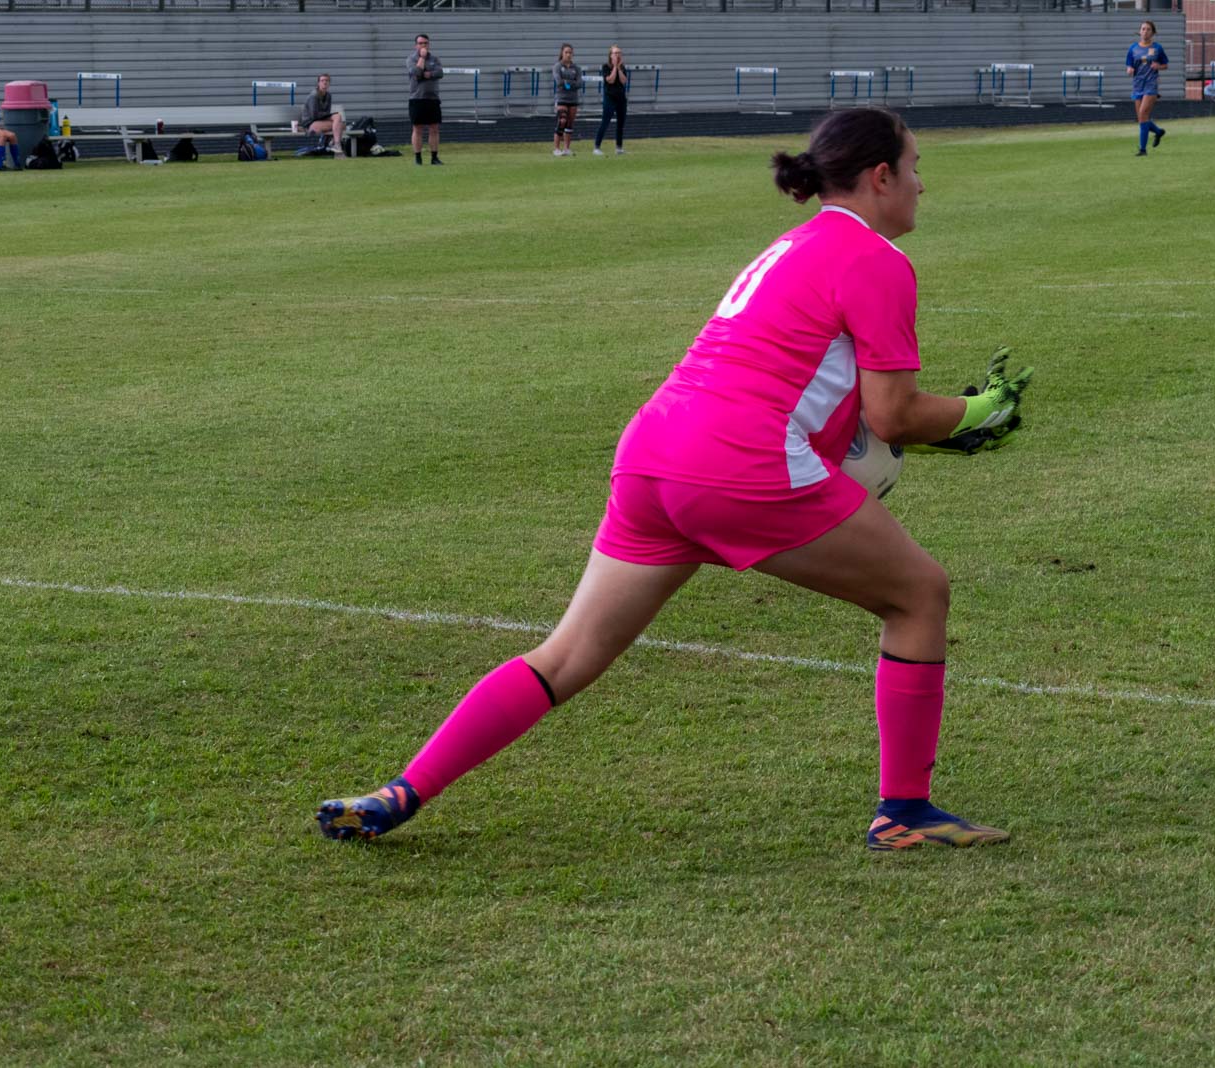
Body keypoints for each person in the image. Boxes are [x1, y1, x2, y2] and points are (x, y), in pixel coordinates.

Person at [316, 107, 1033, 853]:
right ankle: (905, 813)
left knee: (566, 653)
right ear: (880, 177)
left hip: (655, 451)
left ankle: (400, 791)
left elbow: (809, 387)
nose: (921, 185)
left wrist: (916, 430)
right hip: (738, 459)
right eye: (915, 168)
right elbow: (893, 414)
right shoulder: (876, 258)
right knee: (919, 594)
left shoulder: (790, 246)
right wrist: (979, 410)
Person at [1125, 20, 1167, 157]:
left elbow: (1165, 65)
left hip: (1151, 84)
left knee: (1143, 114)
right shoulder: (1133, 48)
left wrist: (1158, 66)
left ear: (1153, 33)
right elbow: (1129, 65)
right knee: (1141, 119)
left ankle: (1142, 150)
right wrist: (1129, 69)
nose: (1145, 31)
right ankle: (1158, 132)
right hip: (1138, 85)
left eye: (1148, 29)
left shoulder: (1157, 48)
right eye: (1143, 29)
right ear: (1140, 31)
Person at [406, 32, 444, 166]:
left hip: (432, 98)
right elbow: (416, 73)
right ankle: (418, 158)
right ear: (415, 45)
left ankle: (434, 157)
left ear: (429, 44)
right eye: (420, 43)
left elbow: (440, 73)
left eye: (425, 43)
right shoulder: (411, 59)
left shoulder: (435, 59)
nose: (423, 45)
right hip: (417, 98)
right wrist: (422, 58)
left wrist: (428, 74)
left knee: (434, 128)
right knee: (417, 129)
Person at [593, 44, 630, 157]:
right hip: (610, 98)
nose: (618, 55)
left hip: (621, 99)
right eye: (615, 53)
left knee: (621, 124)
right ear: (610, 55)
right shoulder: (605, 67)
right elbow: (611, 80)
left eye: (619, 53)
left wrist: (618, 68)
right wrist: (614, 67)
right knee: (605, 122)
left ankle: (619, 148)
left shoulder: (622, 67)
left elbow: (624, 81)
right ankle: (597, 147)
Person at [551, 43, 584, 157]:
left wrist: (567, 83)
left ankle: (566, 149)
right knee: (562, 121)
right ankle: (556, 149)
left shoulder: (576, 68)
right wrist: (571, 83)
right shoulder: (557, 66)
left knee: (569, 124)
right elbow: (559, 82)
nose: (568, 54)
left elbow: (579, 84)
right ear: (562, 53)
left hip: (573, 99)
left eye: (570, 52)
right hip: (561, 98)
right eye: (566, 52)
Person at [302, 73, 346, 155]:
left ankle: (335, 144)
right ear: (318, 83)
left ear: (329, 83)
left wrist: (330, 115)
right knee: (340, 125)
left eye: (327, 80)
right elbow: (314, 115)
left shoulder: (328, 95)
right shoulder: (314, 96)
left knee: (338, 118)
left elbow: (327, 112)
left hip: (321, 121)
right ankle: (335, 144)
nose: (325, 82)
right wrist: (329, 115)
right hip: (310, 125)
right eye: (322, 80)